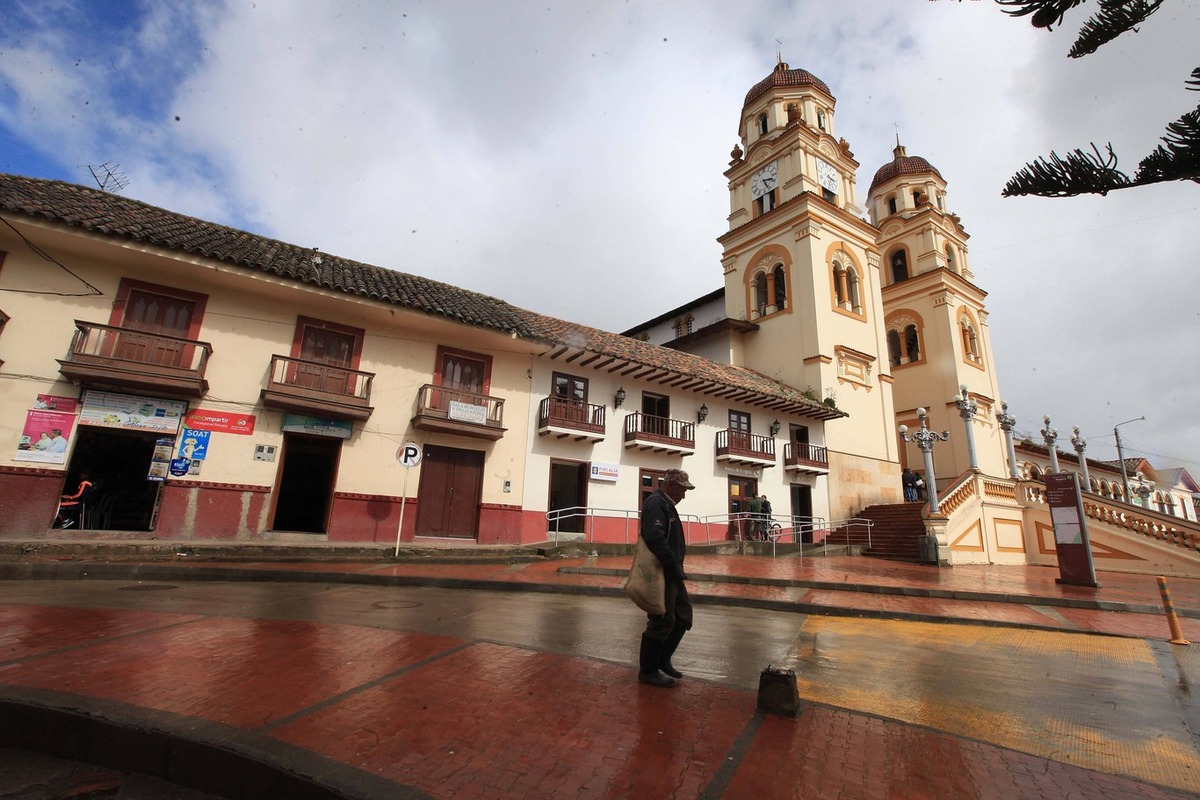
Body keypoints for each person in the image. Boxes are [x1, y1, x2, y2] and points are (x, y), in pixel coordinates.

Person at [636, 468, 695, 688]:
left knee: (682, 617)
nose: (684, 495)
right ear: (670, 486)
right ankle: (648, 671)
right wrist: (671, 562)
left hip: (672, 573)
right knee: (661, 621)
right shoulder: (656, 503)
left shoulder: (667, 504)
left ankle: (662, 660)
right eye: (682, 489)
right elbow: (654, 537)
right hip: (663, 572)